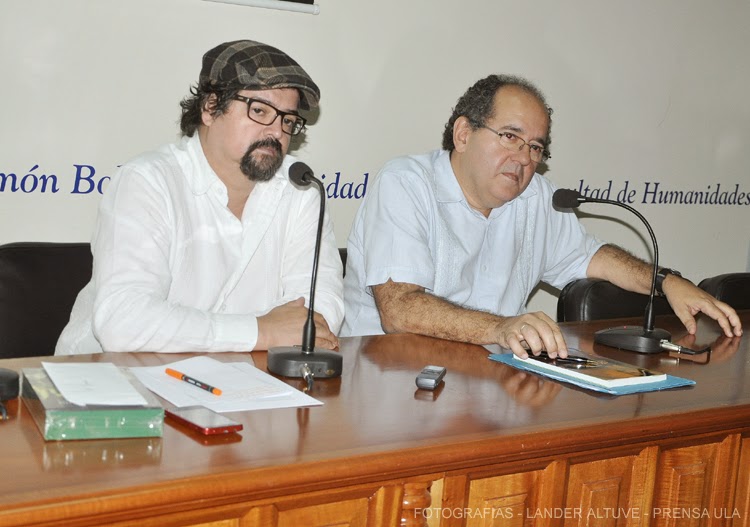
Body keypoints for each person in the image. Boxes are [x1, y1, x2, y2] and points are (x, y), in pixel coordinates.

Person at [341, 74, 742, 358]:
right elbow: (399, 310)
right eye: (510, 137)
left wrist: (665, 280)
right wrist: (501, 328)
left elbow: (593, 257)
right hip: (392, 376)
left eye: (536, 147)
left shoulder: (536, 197)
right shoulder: (406, 183)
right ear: (463, 134)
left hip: (489, 375)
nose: (524, 158)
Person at [56, 40, 343, 355]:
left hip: (244, 384)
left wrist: (266, 332)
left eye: (287, 120)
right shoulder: (149, 181)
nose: (276, 132)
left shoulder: (300, 189)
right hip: (110, 384)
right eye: (260, 111)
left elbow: (319, 313)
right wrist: (260, 330)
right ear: (210, 108)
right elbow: (124, 322)